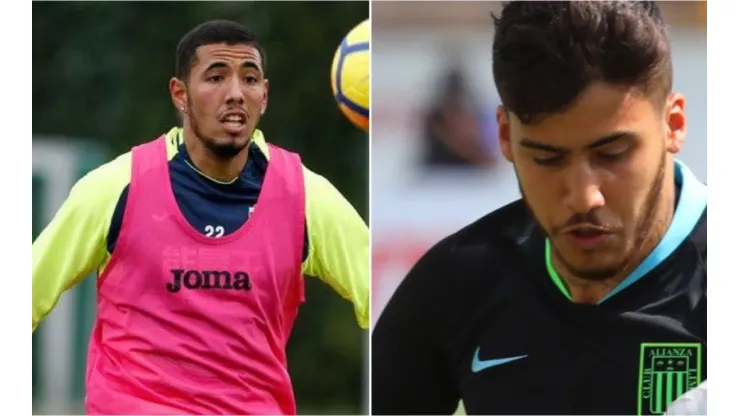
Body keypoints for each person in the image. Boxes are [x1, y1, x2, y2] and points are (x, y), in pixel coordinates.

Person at [372, 2, 706, 415]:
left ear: (673, 125)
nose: (584, 197)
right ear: (506, 136)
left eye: (613, 154)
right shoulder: (451, 287)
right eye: (548, 159)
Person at [32, 20, 369, 415]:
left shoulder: (306, 198)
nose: (235, 94)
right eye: (216, 77)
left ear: (264, 96)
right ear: (180, 94)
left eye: (250, 79)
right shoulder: (114, 189)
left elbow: (395, 305)